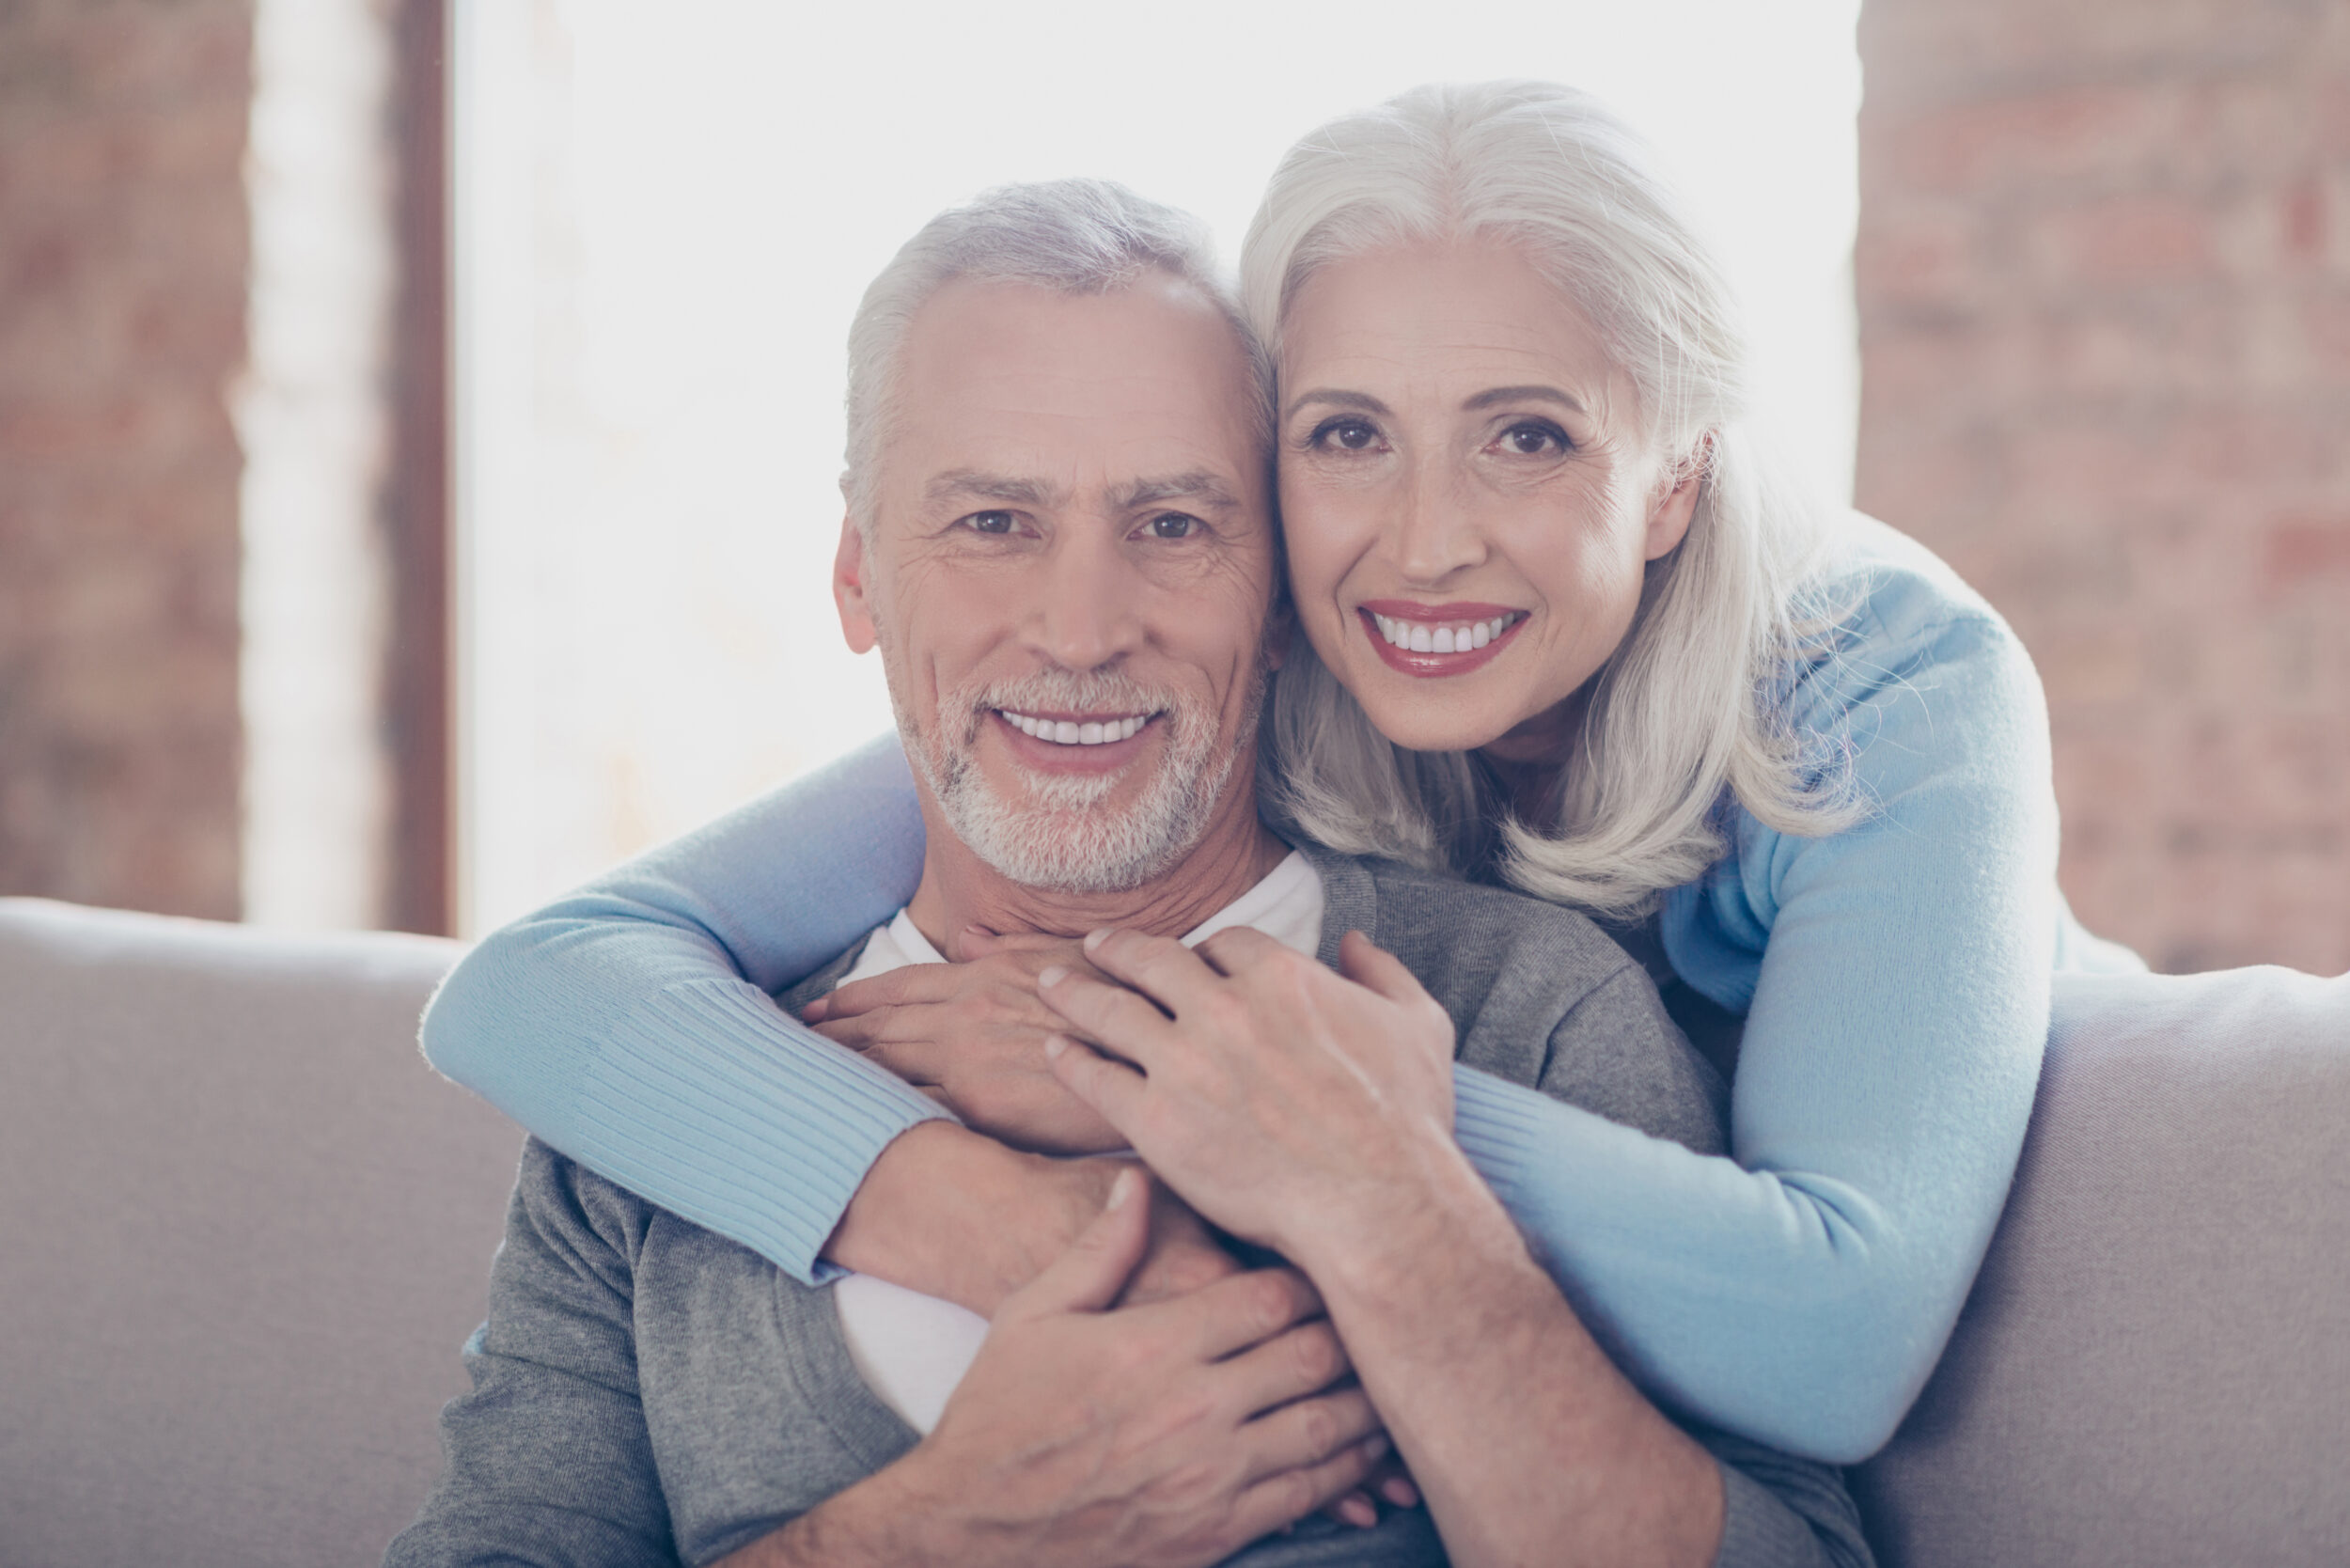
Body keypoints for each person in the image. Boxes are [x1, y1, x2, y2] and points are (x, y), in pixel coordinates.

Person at [419, 82, 2141, 1469]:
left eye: (1528, 435)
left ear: (1676, 476)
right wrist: (960, 1202)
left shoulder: (1889, 689)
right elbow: (539, 979)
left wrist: (1195, 1082)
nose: (1428, 541)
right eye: (1346, 435)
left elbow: (1835, 1344)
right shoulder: (1255, 643)